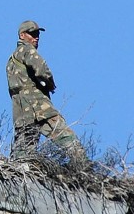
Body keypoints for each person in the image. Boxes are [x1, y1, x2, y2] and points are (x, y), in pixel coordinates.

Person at [6, 20, 87, 159]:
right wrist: (50, 84)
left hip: (20, 108)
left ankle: (20, 170)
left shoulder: (11, 61)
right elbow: (42, 69)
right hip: (37, 103)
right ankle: (81, 163)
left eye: (37, 34)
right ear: (22, 35)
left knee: (24, 142)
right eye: (32, 34)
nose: (36, 37)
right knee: (60, 131)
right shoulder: (27, 50)